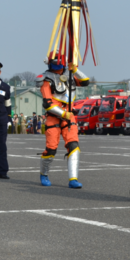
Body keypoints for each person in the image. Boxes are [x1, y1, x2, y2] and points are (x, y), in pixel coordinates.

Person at [38, 55, 90, 188]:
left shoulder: (70, 74)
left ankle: (73, 179)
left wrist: (75, 69)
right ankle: (44, 174)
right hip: (54, 116)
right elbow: (48, 103)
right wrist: (63, 114)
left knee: (74, 146)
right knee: (51, 149)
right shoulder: (46, 79)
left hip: (69, 115)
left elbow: (85, 82)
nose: (57, 67)